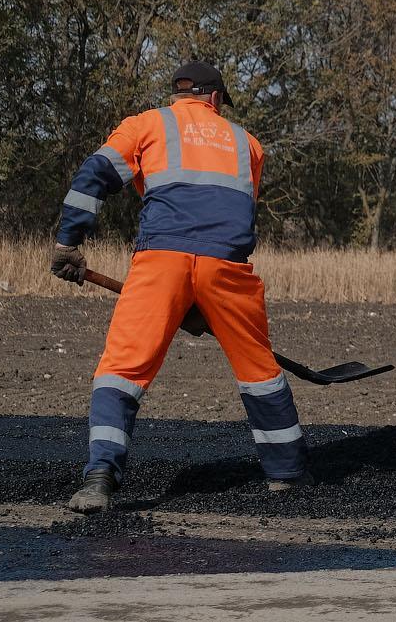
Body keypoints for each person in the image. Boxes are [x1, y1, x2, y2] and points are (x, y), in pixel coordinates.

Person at [52, 61, 313, 513]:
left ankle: (99, 479)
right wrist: (204, 298)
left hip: (161, 263)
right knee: (260, 372)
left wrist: (68, 242)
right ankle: (287, 476)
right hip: (227, 268)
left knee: (122, 369)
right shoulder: (247, 144)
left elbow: (93, 176)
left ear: (179, 96)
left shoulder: (146, 125)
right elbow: (235, 215)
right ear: (215, 99)